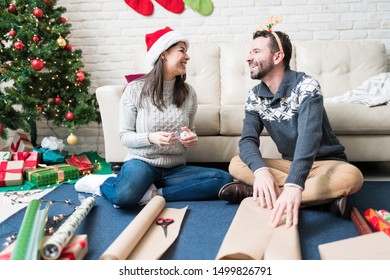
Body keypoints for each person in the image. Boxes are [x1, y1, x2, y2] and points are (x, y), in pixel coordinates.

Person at [218, 27, 364, 228]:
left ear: (278, 56)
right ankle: (324, 200)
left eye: (256, 52)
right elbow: (248, 140)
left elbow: (309, 136)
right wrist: (261, 172)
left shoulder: (307, 85)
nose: (248, 58)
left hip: (326, 164)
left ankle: (262, 193)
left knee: (351, 176)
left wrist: (295, 184)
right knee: (237, 163)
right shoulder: (254, 96)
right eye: (250, 52)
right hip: (290, 165)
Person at [75, 26, 232, 207]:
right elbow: (124, 136)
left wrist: (190, 138)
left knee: (223, 178)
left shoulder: (188, 93)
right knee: (123, 197)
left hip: (174, 169)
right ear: (163, 54)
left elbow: (190, 131)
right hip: (142, 163)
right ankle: (102, 185)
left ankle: (154, 194)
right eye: (182, 51)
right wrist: (151, 137)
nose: (187, 57)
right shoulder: (135, 90)